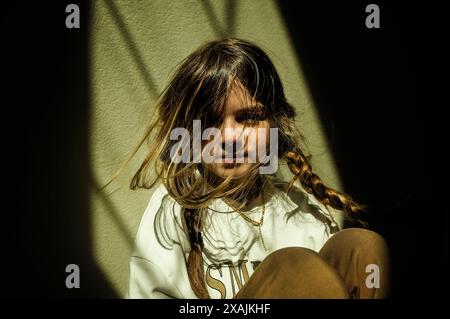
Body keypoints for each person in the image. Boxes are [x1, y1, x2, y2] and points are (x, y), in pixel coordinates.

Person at [126, 38, 389, 299]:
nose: (229, 137)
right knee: (294, 270)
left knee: (361, 248)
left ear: (274, 126)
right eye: (211, 120)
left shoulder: (301, 212)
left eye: (249, 118)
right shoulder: (174, 209)